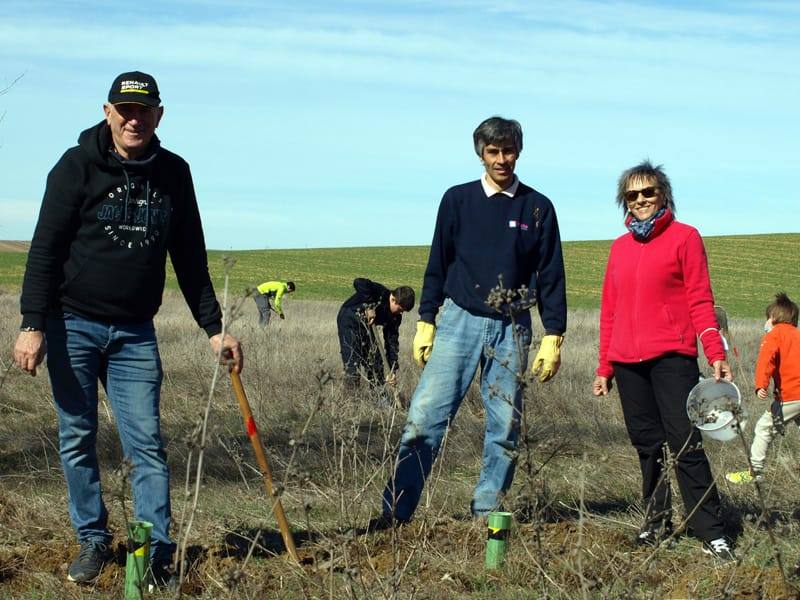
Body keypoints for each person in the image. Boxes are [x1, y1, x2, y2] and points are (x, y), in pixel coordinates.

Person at [12, 71, 243, 585]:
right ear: (107, 112)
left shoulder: (175, 174)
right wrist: (32, 323)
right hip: (71, 323)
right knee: (77, 436)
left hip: (135, 331)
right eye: (124, 110)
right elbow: (45, 250)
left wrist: (214, 327)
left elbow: (190, 259)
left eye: (144, 110)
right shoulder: (74, 168)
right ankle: (93, 542)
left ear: (159, 115)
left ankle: (154, 555)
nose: (133, 119)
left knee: (147, 444)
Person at [375, 116, 567, 527]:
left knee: (505, 425)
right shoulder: (457, 200)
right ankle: (395, 514)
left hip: (513, 328)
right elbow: (437, 262)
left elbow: (551, 274)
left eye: (510, 150)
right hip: (458, 321)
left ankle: (486, 512)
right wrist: (426, 319)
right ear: (480, 153)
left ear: (519, 150)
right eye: (494, 152)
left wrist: (554, 333)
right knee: (425, 418)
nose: (503, 159)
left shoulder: (538, 207)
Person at [592, 161, 735, 561]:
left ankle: (711, 532)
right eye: (633, 194)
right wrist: (605, 367)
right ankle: (655, 524)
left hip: (673, 358)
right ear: (625, 200)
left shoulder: (685, 238)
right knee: (647, 447)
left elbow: (700, 301)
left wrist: (716, 353)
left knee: (686, 444)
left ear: (663, 194)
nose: (641, 200)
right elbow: (609, 311)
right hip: (627, 363)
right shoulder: (619, 248)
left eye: (648, 192)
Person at [727, 292, 800, 484]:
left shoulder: (775, 334)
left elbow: (765, 360)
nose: (765, 323)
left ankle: (755, 471)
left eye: (767, 318)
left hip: (791, 395)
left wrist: (761, 384)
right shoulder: (798, 335)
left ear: (773, 318)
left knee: (764, 428)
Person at [337, 278, 415, 388]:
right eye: (400, 309)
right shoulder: (379, 292)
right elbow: (358, 282)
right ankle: (351, 401)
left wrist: (392, 370)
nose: (401, 312)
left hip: (367, 328)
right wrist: (369, 306)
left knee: (376, 363)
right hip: (349, 321)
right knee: (353, 364)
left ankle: (378, 397)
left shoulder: (395, 317)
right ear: (393, 299)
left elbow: (391, 342)